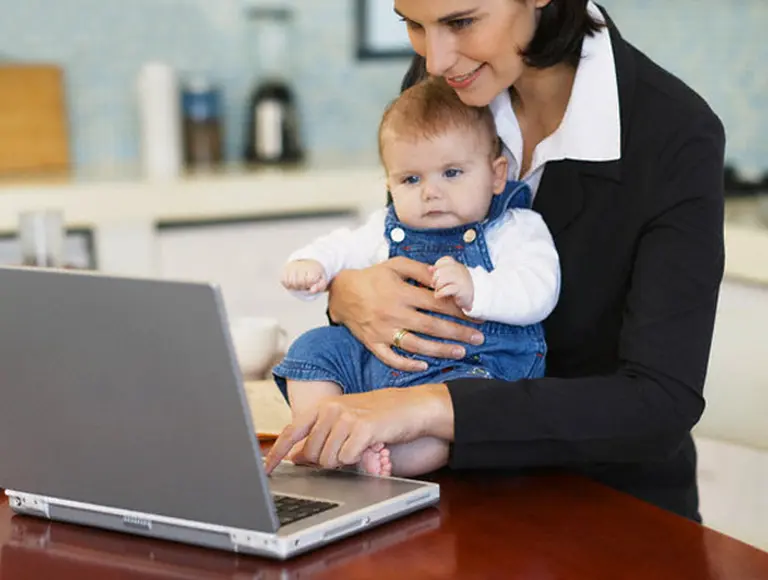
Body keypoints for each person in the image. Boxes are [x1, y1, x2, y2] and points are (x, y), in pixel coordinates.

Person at [266, 0, 725, 524]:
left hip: (608, 514)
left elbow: (658, 405)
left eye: (461, 22)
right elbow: (402, 239)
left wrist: (433, 406)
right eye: (413, 25)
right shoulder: (452, 81)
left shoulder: (674, 134)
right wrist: (347, 294)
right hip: (441, 505)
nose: (435, 60)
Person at [274, 76, 560, 477]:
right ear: (389, 183)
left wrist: (478, 289)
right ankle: (318, 433)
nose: (431, 192)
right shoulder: (385, 227)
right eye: (411, 179)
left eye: (452, 173)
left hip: (468, 367)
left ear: (497, 175)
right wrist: (313, 266)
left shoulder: (515, 229)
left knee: (448, 426)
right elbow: (342, 247)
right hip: (380, 364)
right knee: (312, 348)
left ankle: (381, 459)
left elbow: (540, 289)